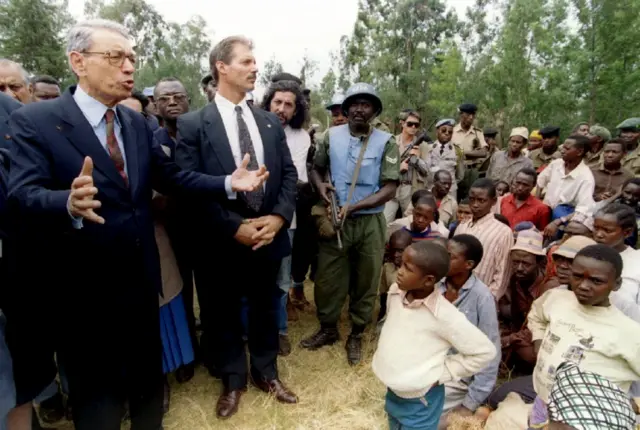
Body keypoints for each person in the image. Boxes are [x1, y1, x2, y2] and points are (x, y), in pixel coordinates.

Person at [6, 21, 268, 430]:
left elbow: (172, 177)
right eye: (115, 58)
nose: (129, 67)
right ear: (78, 62)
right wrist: (66, 203)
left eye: (131, 58)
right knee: (99, 403)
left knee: (148, 392)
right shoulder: (36, 121)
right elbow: (21, 193)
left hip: (142, 285)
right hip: (82, 293)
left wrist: (226, 182)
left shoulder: (136, 124)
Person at [175, 35, 298, 418]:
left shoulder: (268, 121)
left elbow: (289, 175)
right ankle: (232, 380)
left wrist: (277, 218)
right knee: (221, 313)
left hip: (268, 238)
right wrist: (234, 227)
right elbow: (186, 184)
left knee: (265, 308)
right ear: (221, 67)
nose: (255, 68)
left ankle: (266, 373)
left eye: (254, 61)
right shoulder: (193, 123)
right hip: (220, 242)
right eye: (246, 61)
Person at [301, 82, 399, 366]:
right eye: (354, 103)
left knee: (367, 278)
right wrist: (321, 189)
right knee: (329, 276)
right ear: (346, 108)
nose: (359, 108)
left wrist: (356, 205)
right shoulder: (331, 136)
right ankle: (328, 328)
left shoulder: (386, 141)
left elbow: (390, 187)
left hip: (369, 222)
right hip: (335, 219)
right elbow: (316, 169)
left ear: (374, 110)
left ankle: (357, 332)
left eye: (366, 104)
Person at [372, 241, 496, 430]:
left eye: (408, 268)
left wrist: (442, 372)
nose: (400, 271)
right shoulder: (396, 293)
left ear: (428, 280)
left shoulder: (444, 315)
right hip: (394, 392)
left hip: (421, 401)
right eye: (402, 264)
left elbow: (484, 352)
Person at [527, 244, 640, 427]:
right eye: (578, 277)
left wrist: (634, 403)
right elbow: (536, 316)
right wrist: (540, 344)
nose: (584, 286)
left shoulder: (629, 332)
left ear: (617, 284)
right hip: (543, 403)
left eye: (596, 281)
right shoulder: (556, 299)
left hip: (587, 419)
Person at [260, 79, 310, 355]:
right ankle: (249, 329)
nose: (281, 108)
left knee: (281, 278)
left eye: (288, 104)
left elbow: (296, 180)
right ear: (268, 102)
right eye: (277, 102)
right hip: (251, 216)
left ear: (296, 110)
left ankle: (279, 330)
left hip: (284, 218)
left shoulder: (301, 137)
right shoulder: (251, 126)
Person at [438, 235, 500, 425]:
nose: (443, 259)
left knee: (427, 419)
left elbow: (491, 352)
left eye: (450, 256)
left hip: (457, 377)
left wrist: (470, 403)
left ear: (468, 264)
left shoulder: (482, 297)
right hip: (430, 365)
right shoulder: (434, 285)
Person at [454, 179, 514, 299]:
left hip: (482, 296)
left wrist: (489, 300)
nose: (475, 205)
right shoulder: (462, 226)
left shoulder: (503, 232)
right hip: (455, 291)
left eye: (481, 200)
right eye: (472, 199)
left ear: (493, 201)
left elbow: (502, 273)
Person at [537, 134, 595, 238]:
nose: (562, 151)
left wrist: (558, 221)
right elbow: (541, 180)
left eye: (567, 148)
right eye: (563, 147)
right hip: (546, 209)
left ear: (580, 152)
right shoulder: (556, 164)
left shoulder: (586, 177)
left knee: (560, 211)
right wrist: (537, 202)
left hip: (565, 216)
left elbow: (583, 210)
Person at [592, 203, 640, 305]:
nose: (599, 234)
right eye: (596, 228)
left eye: (607, 230)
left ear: (627, 232)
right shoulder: (584, 253)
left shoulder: (637, 260)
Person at [378, 229, 413, 324]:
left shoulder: (416, 271)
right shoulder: (387, 267)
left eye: (400, 251)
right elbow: (384, 293)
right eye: (393, 250)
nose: (395, 255)